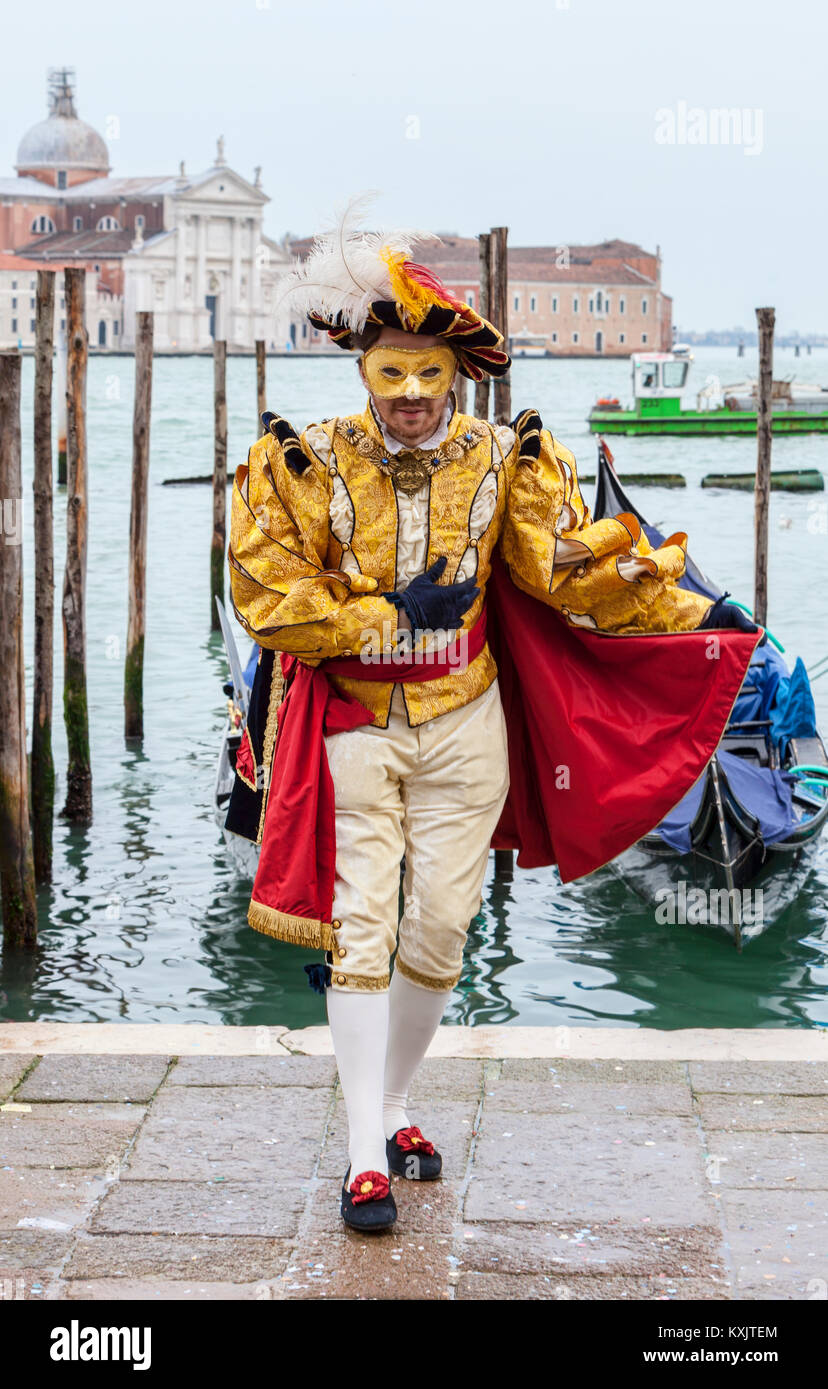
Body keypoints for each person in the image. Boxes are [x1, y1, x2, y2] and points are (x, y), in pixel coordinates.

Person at [226, 214, 761, 1233]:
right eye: (392, 372)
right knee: (362, 927)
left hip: (467, 723)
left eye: (428, 374)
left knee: (440, 928)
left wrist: (691, 611)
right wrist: (388, 615)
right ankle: (365, 1157)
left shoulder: (504, 459)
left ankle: (393, 1104)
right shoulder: (301, 463)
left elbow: (562, 572)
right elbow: (266, 595)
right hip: (352, 724)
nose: (412, 394)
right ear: (363, 369)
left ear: (459, 374)